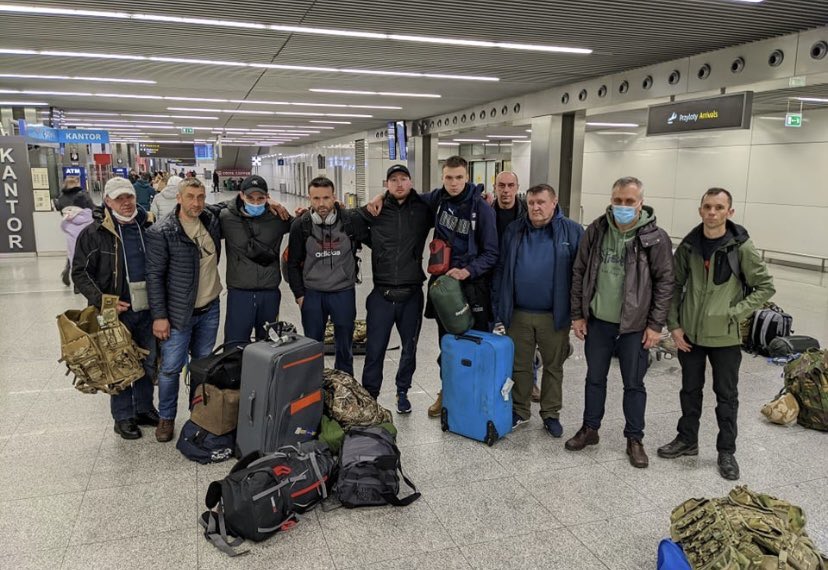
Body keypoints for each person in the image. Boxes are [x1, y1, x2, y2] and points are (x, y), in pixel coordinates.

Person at [658, 188, 775, 480]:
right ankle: (687, 440)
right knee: (689, 391)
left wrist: (735, 312)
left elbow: (765, 287)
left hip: (725, 338)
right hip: (690, 337)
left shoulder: (741, 247)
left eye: (719, 207)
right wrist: (674, 325)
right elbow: (673, 286)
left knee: (726, 396)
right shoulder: (688, 246)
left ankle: (726, 451)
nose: (712, 212)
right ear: (700, 210)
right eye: (707, 207)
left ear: (729, 212)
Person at [368, 156, 498, 417]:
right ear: (442, 178)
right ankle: (447, 392)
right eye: (449, 177)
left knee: (474, 342)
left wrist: (467, 271)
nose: (454, 183)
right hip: (443, 287)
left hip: (472, 286)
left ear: (467, 177)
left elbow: (492, 253)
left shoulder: (481, 208)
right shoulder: (436, 200)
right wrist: (380, 196)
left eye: (459, 177)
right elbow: (403, 194)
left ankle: (477, 397)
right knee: (447, 344)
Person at [567, 176, 673, 468]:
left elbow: (666, 282)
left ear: (640, 203)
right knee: (594, 378)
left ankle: (634, 438)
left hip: (635, 326)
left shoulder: (655, 238)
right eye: (618, 201)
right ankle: (590, 429)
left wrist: (655, 325)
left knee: (634, 384)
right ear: (611, 200)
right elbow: (579, 272)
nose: (622, 206)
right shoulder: (597, 230)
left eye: (629, 201)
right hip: (599, 321)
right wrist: (578, 314)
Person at [72, 177, 160, 439]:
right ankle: (123, 416)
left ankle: (144, 408)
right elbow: (80, 273)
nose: (126, 203)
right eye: (119, 198)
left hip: (147, 308)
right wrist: (102, 300)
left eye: (129, 197)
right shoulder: (93, 233)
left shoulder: (149, 225)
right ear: (107, 201)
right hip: (114, 311)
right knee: (118, 362)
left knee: (147, 361)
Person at [492, 184, 583, 436]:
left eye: (541, 202)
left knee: (554, 367)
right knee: (520, 366)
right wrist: (499, 307)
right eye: (531, 202)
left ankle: (551, 413)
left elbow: (581, 276)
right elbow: (501, 269)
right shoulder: (514, 230)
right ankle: (520, 410)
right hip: (518, 313)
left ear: (554, 203)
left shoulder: (572, 231)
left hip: (554, 315)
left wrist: (578, 314)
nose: (536, 207)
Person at [146, 177, 222, 442]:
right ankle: (166, 417)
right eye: (190, 196)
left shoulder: (210, 219)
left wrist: (268, 201)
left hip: (210, 308)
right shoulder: (163, 231)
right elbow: (154, 277)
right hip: (178, 314)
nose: (196, 202)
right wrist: (159, 317)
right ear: (178, 197)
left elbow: (237, 204)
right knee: (170, 369)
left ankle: (197, 414)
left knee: (202, 367)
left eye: (200, 196)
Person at [358, 165, 432, 413]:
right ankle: (371, 395)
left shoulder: (423, 208)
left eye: (403, 179)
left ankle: (403, 391)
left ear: (410, 182)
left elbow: (453, 199)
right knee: (374, 349)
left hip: (411, 293)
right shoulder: (374, 210)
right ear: (386, 184)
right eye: (393, 180)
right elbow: (346, 221)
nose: (399, 183)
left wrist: (482, 197)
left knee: (409, 348)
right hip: (382, 293)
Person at [286, 177, 369, 376]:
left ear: (334, 197)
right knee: (313, 345)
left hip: (343, 292)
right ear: (309, 199)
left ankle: (345, 384)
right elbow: (292, 263)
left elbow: (375, 236)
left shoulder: (349, 221)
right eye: (316, 199)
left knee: (344, 345)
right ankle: (314, 386)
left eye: (326, 198)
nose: (321, 204)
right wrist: (299, 295)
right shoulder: (301, 225)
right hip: (313, 294)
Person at [221, 175, 293, 344]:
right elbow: (204, 212)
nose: (255, 203)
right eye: (250, 198)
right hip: (239, 293)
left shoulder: (278, 218)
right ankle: (235, 371)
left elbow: (302, 225)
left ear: (267, 197)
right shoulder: (226, 217)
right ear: (241, 196)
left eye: (260, 198)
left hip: (269, 293)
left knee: (269, 345)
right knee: (235, 344)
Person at [56, 176, 96, 286]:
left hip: (70, 227)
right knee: (85, 252)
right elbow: (91, 207)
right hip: (84, 226)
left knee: (72, 251)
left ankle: (68, 269)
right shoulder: (83, 194)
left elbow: (60, 209)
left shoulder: (61, 197)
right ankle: (82, 279)